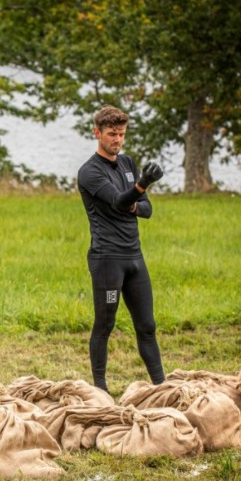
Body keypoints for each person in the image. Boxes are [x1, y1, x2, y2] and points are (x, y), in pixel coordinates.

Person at [77, 105, 165, 393]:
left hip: (134, 257)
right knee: (105, 324)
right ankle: (101, 391)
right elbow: (117, 201)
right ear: (97, 133)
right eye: (112, 134)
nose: (117, 140)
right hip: (107, 260)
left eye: (122, 134)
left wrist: (136, 197)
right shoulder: (89, 172)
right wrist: (141, 186)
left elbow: (147, 209)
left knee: (147, 325)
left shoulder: (127, 163)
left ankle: (162, 387)